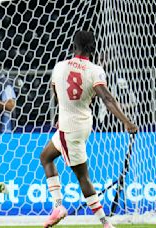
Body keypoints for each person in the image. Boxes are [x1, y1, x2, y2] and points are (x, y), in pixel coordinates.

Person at [40, 31, 138, 228]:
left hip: (69, 128)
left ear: (73, 46)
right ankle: (58, 206)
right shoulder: (96, 70)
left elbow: (56, 92)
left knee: (82, 177)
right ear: (93, 48)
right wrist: (127, 121)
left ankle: (105, 223)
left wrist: (62, 114)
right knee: (46, 157)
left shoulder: (59, 67)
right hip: (80, 124)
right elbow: (107, 99)